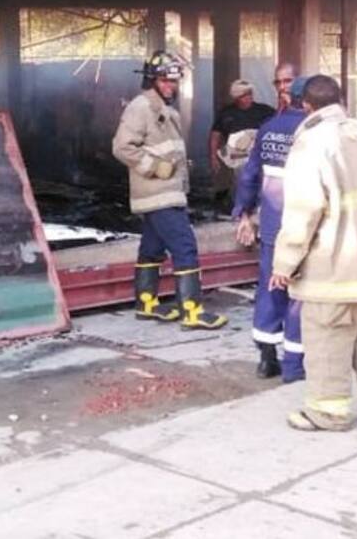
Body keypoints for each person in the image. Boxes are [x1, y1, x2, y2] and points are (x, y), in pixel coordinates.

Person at [271, 75, 357, 431]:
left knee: (327, 340)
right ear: (341, 98)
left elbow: (304, 211)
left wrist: (284, 263)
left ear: (306, 105)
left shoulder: (312, 141)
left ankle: (328, 413)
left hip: (335, 267)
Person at [113, 51, 228, 331]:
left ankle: (146, 303)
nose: (170, 86)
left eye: (174, 81)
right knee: (185, 246)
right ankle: (192, 311)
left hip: (164, 193)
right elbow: (121, 147)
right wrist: (154, 166)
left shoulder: (165, 110)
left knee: (152, 248)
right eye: (165, 80)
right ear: (151, 79)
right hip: (159, 193)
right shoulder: (141, 107)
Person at [234, 74, 308, 382]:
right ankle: (295, 365)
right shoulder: (313, 132)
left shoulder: (268, 128)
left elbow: (250, 174)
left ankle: (266, 359)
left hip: (272, 224)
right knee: (299, 294)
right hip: (304, 226)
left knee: (270, 288)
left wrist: (244, 212)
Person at [210, 79, 276, 207]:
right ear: (236, 97)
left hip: (260, 156)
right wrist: (213, 156)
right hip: (237, 158)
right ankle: (240, 207)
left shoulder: (264, 111)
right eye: (244, 95)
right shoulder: (226, 113)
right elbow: (215, 135)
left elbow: (278, 125)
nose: (248, 98)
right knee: (240, 182)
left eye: (250, 94)